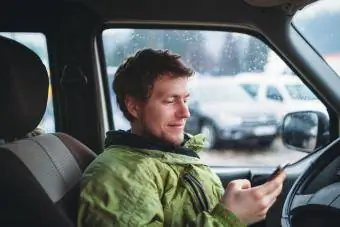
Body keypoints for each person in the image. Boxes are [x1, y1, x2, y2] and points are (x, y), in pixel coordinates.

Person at [77, 49, 286, 227]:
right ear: (134, 107)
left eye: (185, 99)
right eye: (170, 101)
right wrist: (230, 218)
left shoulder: (170, 155)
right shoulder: (118, 176)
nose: (185, 112)